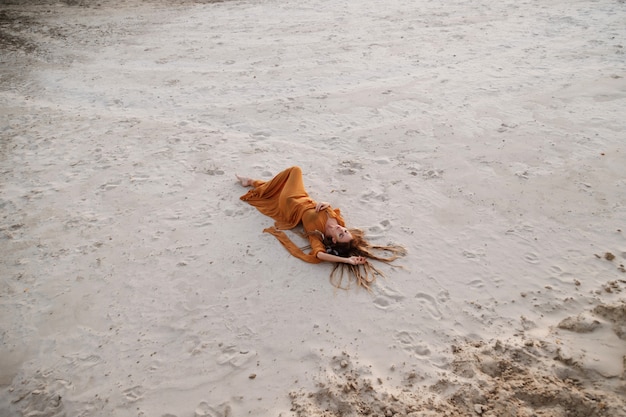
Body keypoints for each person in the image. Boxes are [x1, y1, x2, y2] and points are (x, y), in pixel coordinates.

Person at [237, 166, 405, 290]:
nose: (342, 229)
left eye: (341, 234)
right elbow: (332, 212)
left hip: (289, 204)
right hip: (303, 197)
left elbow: (319, 254)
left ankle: (251, 181)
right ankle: (251, 182)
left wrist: (346, 260)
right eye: (345, 232)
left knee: (294, 171)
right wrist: (326, 203)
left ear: (333, 239)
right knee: (283, 185)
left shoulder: (317, 235)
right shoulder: (339, 220)